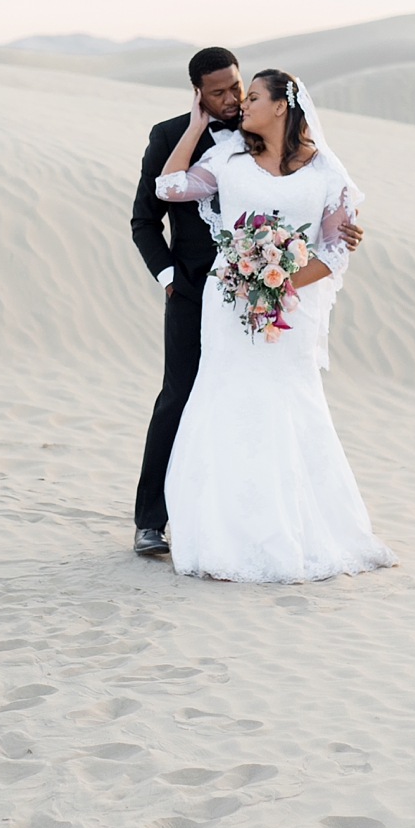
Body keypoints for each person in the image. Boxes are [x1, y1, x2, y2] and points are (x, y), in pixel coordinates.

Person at [149, 68, 395, 583]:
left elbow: (334, 250)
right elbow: (169, 186)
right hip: (229, 305)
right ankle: (221, 531)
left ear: (282, 105)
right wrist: (195, 126)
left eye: (254, 96)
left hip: (292, 308)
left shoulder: (326, 170)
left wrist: (281, 282)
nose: (243, 103)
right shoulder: (227, 160)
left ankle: (296, 529)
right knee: (226, 401)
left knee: (288, 405)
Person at [127, 47, 245, 557]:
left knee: (243, 399)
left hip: (249, 294)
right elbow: (144, 219)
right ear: (198, 91)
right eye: (217, 92)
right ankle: (150, 521)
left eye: (235, 87)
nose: (231, 99)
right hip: (192, 292)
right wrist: (171, 277)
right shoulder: (169, 134)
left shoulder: (259, 129)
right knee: (178, 396)